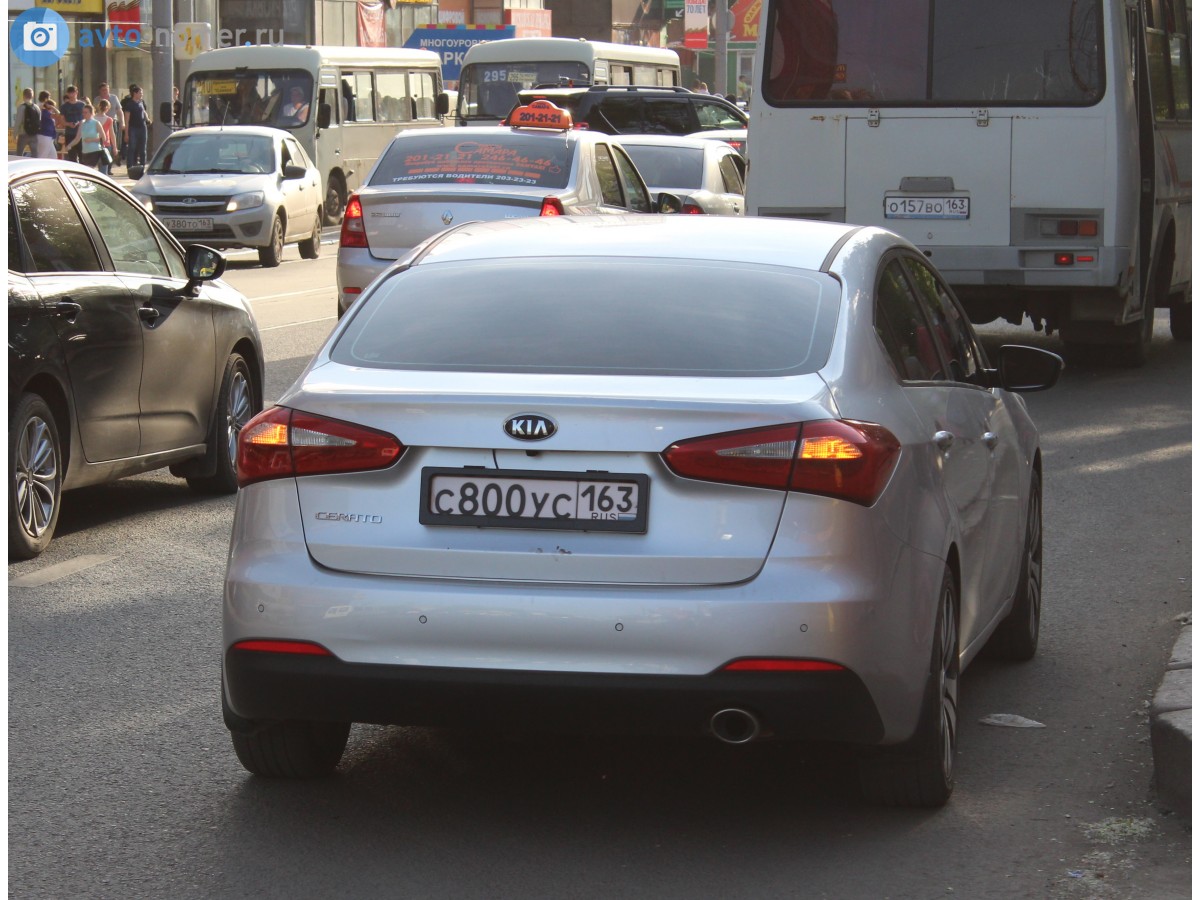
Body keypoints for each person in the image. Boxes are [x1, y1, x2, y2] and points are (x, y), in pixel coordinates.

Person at [64, 103, 104, 169]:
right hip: (85, 151)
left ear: (91, 113)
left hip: (95, 150)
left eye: (86, 112)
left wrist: (91, 140)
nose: (83, 114)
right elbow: (77, 138)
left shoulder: (96, 123)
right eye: (83, 112)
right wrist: (69, 145)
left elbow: (103, 138)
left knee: (89, 169)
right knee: (87, 170)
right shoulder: (82, 123)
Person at [122, 84, 151, 167]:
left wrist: (147, 118)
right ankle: (130, 166)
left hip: (142, 127)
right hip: (133, 128)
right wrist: (126, 133)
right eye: (140, 93)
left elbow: (144, 112)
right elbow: (126, 120)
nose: (141, 94)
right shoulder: (129, 104)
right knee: (132, 147)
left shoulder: (141, 102)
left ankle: (143, 165)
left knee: (143, 149)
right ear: (135, 93)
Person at [95, 82, 124, 163]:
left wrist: (122, 122)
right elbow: (94, 111)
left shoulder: (114, 98)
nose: (105, 91)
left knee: (111, 141)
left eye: (107, 89)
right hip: (99, 122)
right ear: (100, 91)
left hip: (111, 122)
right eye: (103, 90)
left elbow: (119, 110)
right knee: (102, 142)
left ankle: (109, 163)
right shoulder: (97, 99)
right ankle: (101, 160)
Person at [60, 85, 85, 164]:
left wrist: (80, 122)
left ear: (76, 93)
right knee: (72, 157)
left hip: (81, 134)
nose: (71, 95)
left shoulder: (82, 105)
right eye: (70, 93)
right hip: (70, 133)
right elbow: (62, 121)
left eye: (73, 93)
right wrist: (68, 124)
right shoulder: (64, 106)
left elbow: (87, 117)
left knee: (83, 157)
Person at [14, 87, 40, 157]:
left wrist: (15, 134)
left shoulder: (21, 107)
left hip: (23, 134)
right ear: (32, 96)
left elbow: (18, 122)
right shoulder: (36, 107)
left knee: (19, 155)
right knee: (35, 155)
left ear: (24, 96)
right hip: (34, 135)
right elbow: (39, 121)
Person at [95, 99, 117, 174]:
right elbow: (112, 134)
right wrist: (114, 147)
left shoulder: (93, 119)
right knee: (104, 167)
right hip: (106, 144)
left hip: (95, 143)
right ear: (108, 108)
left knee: (95, 165)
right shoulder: (109, 119)